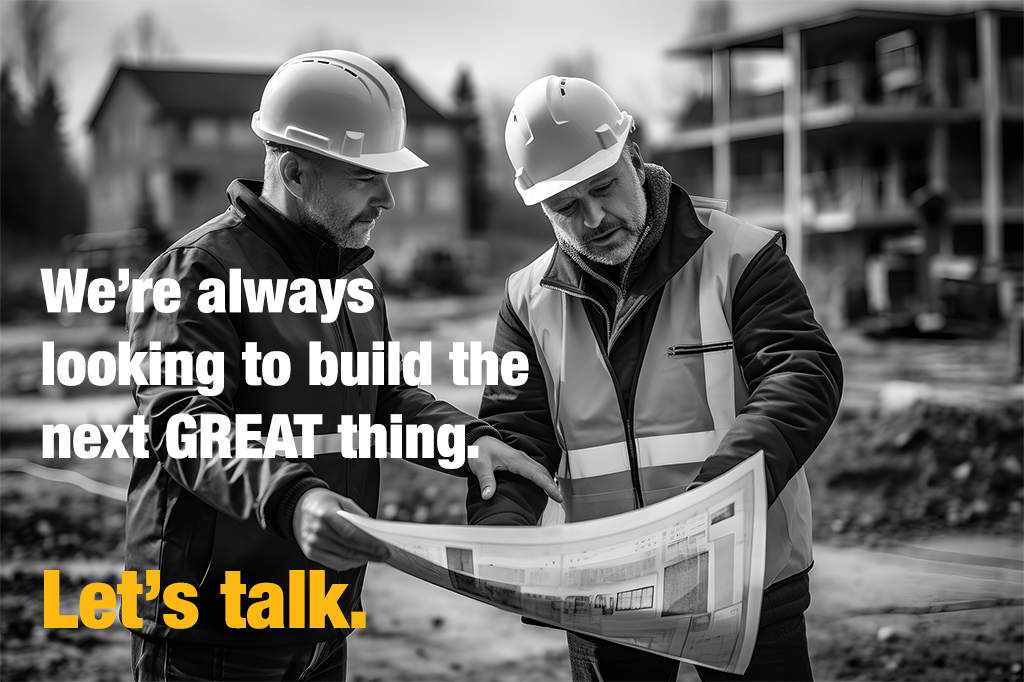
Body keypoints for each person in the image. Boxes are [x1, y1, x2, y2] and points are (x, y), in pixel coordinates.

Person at [124, 51, 561, 682]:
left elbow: (381, 398)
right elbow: (184, 425)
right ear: (295, 172)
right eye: (365, 178)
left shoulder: (350, 278)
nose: (388, 198)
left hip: (322, 616)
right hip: (212, 634)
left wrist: (467, 441)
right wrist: (295, 499)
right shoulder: (195, 273)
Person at [467, 75, 843, 681]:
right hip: (608, 591)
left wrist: (716, 502)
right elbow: (517, 435)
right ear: (539, 205)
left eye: (604, 188)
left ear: (633, 159)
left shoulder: (742, 256)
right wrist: (501, 535)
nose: (593, 218)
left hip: (745, 578)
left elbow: (800, 375)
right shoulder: (525, 299)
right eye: (566, 205)